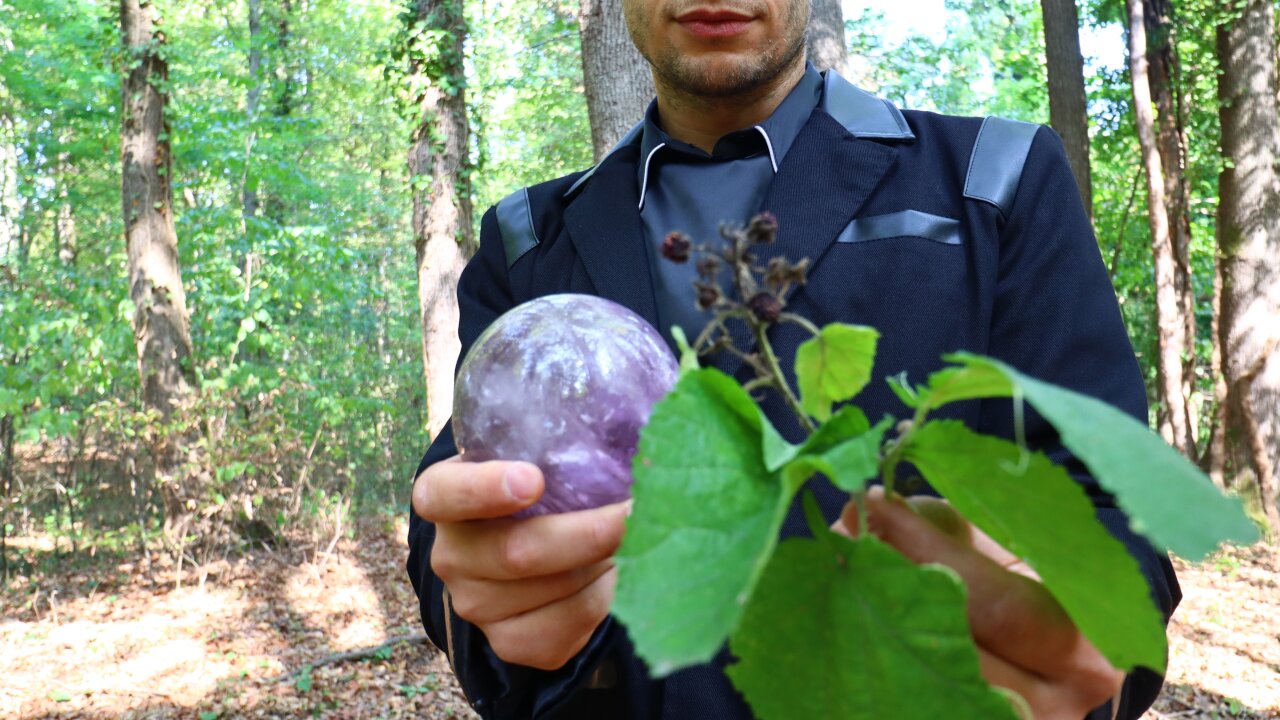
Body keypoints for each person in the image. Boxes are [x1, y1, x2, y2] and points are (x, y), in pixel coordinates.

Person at [407, 1, 1181, 718]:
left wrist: (1075, 633)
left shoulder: (996, 180)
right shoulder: (529, 240)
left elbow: (1114, 516)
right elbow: (452, 533)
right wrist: (496, 606)